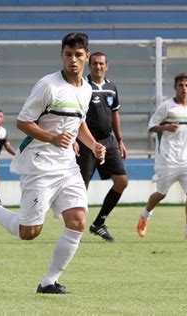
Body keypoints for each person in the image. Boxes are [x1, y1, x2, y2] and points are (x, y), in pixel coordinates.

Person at [0, 33, 106, 294]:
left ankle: (48, 282)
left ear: (86, 57)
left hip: (67, 166)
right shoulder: (48, 86)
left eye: (78, 55)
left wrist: (93, 144)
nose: (73, 60)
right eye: (68, 55)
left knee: (77, 221)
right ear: (62, 55)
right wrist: (52, 138)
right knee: (29, 232)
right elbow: (23, 122)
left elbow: (79, 124)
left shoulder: (86, 89)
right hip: (39, 165)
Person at [137, 73, 187, 241]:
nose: (183, 88)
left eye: (186, 85)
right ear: (175, 87)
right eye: (180, 85)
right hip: (168, 158)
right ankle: (145, 215)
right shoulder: (166, 107)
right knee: (161, 194)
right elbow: (151, 126)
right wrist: (167, 127)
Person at [74, 52, 128, 242]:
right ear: (89, 65)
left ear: (107, 66)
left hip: (109, 141)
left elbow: (115, 114)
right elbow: (76, 115)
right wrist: (74, 139)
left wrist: (120, 140)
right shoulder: (82, 86)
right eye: (94, 64)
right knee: (82, 186)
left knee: (121, 181)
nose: (98, 67)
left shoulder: (112, 87)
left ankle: (99, 223)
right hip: (87, 142)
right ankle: (75, 228)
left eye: (101, 64)